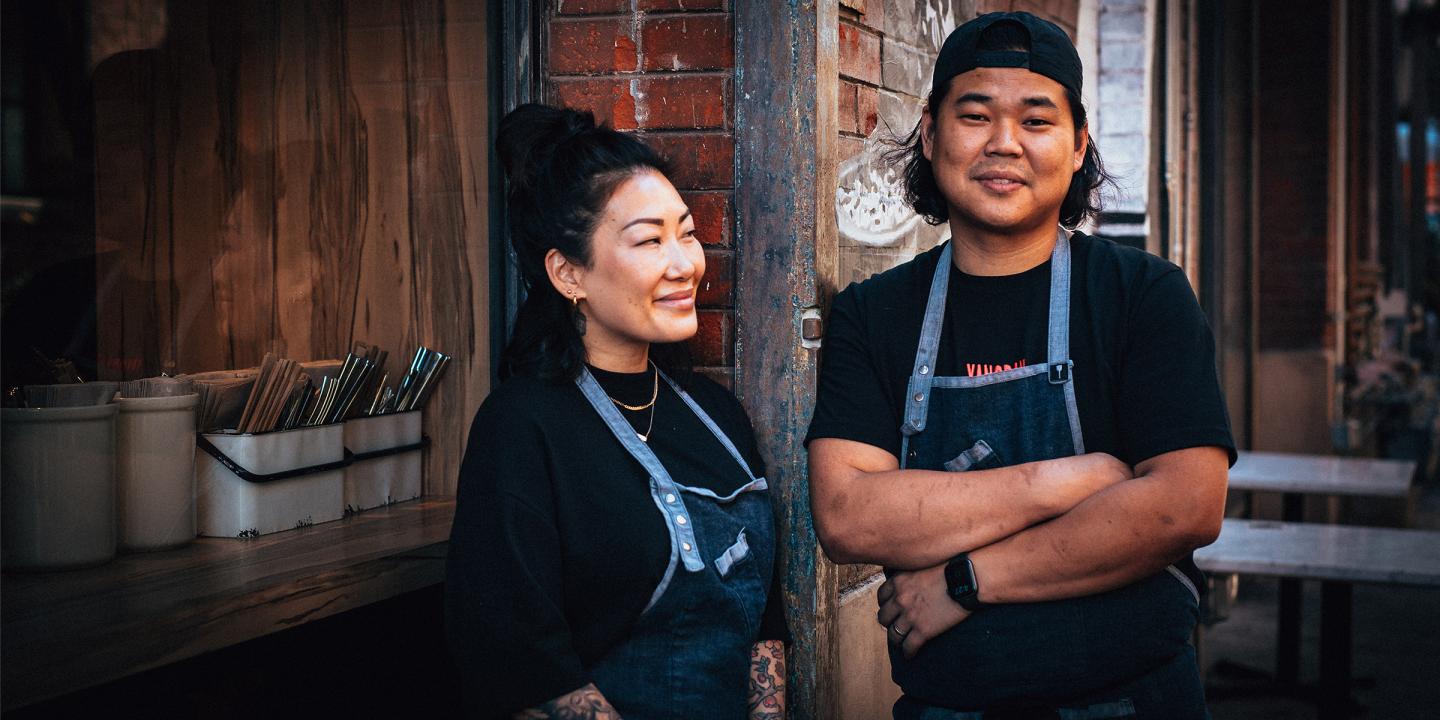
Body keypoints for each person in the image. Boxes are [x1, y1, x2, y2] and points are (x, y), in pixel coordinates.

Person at [806, 12, 1234, 719]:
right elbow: (849, 515)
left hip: (1134, 704)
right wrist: (1067, 481)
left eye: (1036, 121)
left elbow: (1184, 505)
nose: (1003, 143)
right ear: (931, 133)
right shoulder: (874, 315)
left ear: (1077, 147)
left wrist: (968, 579)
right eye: (975, 115)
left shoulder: (1142, 296)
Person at [446, 104, 788, 719]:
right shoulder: (522, 427)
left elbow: (764, 620)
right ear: (568, 272)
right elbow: (521, 662)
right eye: (650, 240)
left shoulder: (716, 415)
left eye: (686, 232)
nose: (685, 263)